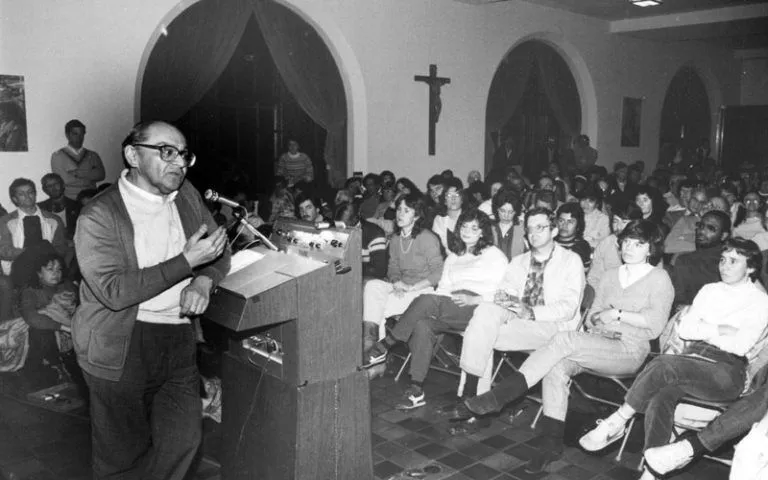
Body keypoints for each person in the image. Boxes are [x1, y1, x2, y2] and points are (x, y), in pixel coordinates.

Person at [72, 120, 230, 479]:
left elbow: (218, 252)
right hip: (120, 343)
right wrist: (187, 262)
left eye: (183, 155)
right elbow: (114, 292)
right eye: (166, 152)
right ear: (132, 155)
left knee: (183, 440)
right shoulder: (99, 214)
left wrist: (203, 281)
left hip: (176, 337)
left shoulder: (186, 195)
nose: (178, 163)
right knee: (122, 457)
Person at [464, 220, 673, 473]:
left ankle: (503, 394)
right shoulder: (609, 276)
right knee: (556, 366)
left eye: (638, 244)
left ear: (651, 248)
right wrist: (602, 319)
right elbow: (594, 315)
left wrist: (617, 314)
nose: (629, 248)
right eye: (626, 242)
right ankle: (551, 443)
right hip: (599, 341)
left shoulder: (659, 278)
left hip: (630, 349)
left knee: (565, 338)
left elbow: (654, 325)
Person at [580, 238, 768, 480]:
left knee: (662, 364)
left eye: (733, 261)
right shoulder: (709, 290)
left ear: (751, 267)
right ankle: (651, 473)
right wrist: (722, 329)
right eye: (722, 259)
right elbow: (686, 330)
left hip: (726, 370)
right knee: (661, 395)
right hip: (690, 360)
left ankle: (618, 419)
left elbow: (741, 345)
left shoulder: (760, 302)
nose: (724, 266)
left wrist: (706, 327)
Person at [452, 208, 584, 430]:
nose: (533, 233)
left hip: (553, 326)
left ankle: (472, 401)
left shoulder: (571, 261)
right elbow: (504, 292)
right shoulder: (519, 261)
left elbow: (568, 308)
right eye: (529, 228)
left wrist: (532, 312)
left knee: (482, 334)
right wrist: (510, 301)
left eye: (540, 227)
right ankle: (471, 396)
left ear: (553, 231)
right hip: (518, 317)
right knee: (485, 312)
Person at [364, 209, 507, 409]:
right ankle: (416, 389)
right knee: (423, 324)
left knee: (427, 299)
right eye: (464, 226)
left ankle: (387, 344)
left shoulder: (495, 256)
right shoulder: (454, 256)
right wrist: (442, 302)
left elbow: (504, 291)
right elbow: (444, 289)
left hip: (480, 308)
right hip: (450, 304)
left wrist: (475, 298)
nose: (467, 231)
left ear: (483, 232)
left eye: (474, 228)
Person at [362, 194, 443, 348]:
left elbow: (439, 273)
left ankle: (373, 353)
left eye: (407, 210)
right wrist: (396, 281)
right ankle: (371, 347)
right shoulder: (395, 239)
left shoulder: (427, 238)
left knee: (378, 307)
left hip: (423, 291)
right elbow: (392, 267)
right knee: (372, 285)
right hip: (402, 287)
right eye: (399, 209)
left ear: (417, 215)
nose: (400, 214)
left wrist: (411, 288)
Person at [18, 249, 82, 393]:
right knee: (40, 330)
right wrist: (62, 326)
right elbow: (31, 317)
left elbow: (77, 309)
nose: (56, 273)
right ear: (39, 272)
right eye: (50, 269)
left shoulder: (67, 286)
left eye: (59, 269)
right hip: (41, 335)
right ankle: (55, 366)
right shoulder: (31, 290)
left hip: (68, 329)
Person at [0, 178, 70, 276]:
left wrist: (46, 257)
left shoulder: (54, 219)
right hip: (19, 268)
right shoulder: (5, 221)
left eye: (30, 192)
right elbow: (3, 251)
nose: (27, 196)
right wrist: (30, 252)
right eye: (21, 194)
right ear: (15, 199)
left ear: (35, 194)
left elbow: (61, 248)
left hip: (49, 270)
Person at [670, 210, 730, 308]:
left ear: (723, 235)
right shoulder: (685, 260)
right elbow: (679, 301)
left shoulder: (730, 262)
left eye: (711, 228)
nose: (701, 231)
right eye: (701, 226)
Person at [587, 199, 642, 289]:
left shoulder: (645, 245)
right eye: (615, 221)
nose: (619, 227)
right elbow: (593, 277)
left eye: (624, 222)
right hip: (608, 295)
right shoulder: (606, 243)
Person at [51, 119, 106, 200]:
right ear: (67, 135)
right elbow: (64, 180)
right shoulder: (58, 156)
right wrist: (89, 177)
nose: (79, 138)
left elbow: (101, 175)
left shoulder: (92, 155)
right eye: (75, 134)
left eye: (81, 134)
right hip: (70, 199)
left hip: (91, 197)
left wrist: (77, 173)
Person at [334, 201, 387, 279]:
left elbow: (379, 270)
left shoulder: (375, 233)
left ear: (355, 219)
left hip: (367, 279)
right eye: (336, 225)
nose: (339, 230)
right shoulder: (337, 231)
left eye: (342, 226)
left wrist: (351, 267)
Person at [38, 173, 80, 240]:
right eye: (49, 186)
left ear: (63, 185)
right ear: (44, 190)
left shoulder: (77, 206)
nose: (53, 188)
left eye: (56, 184)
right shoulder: (39, 208)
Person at [490, 186, 526, 261]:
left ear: (516, 212)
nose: (506, 216)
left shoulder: (523, 228)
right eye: (502, 211)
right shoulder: (489, 227)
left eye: (511, 212)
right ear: (496, 209)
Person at [554, 203, 592, 270]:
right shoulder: (549, 241)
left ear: (578, 225)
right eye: (561, 220)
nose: (564, 225)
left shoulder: (581, 247)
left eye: (570, 222)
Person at [432, 178, 465, 251]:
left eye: (457, 194)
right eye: (449, 195)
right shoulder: (439, 220)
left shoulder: (469, 217)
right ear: (444, 200)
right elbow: (439, 246)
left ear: (462, 199)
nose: (453, 198)